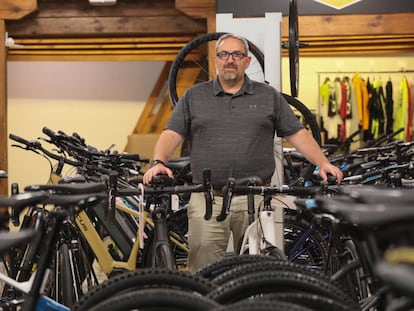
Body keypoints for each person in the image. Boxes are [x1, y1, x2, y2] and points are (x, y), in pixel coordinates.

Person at [143, 33, 343, 272]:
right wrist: (158, 162)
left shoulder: (268, 96)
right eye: (224, 54)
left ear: (247, 62)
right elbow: (172, 133)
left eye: (237, 54)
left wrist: (323, 163)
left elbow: (297, 134)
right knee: (203, 272)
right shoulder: (194, 96)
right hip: (208, 200)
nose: (230, 60)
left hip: (256, 199)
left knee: (256, 272)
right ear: (216, 60)